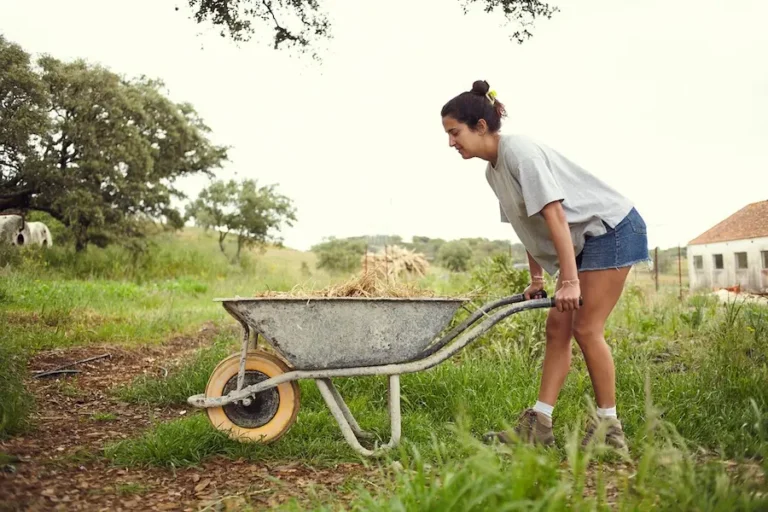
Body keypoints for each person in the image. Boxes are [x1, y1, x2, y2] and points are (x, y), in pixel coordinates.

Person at [440, 80, 650, 451]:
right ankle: (539, 425)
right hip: (584, 241)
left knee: (586, 328)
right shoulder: (493, 171)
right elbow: (530, 226)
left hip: (611, 229)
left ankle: (609, 431)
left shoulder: (520, 152)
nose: (451, 142)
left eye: (455, 132)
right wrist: (537, 278)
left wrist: (568, 280)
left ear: (481, 126)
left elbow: (554, 213)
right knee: (558, 329)